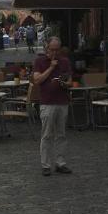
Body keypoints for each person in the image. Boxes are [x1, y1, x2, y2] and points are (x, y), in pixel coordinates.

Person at [32, 36, 73, 176]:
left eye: (57, 50)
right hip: (47, 103)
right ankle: (45, 165)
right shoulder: (40, 61)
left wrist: (64, 83)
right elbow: (37, 80)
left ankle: (60, 163)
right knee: (47, 135)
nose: (55, 53)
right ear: (46, 48)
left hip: (62, 101)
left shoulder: (65, 61)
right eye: (52, 49)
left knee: (61, 135)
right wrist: (51, 67)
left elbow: (70, 81)